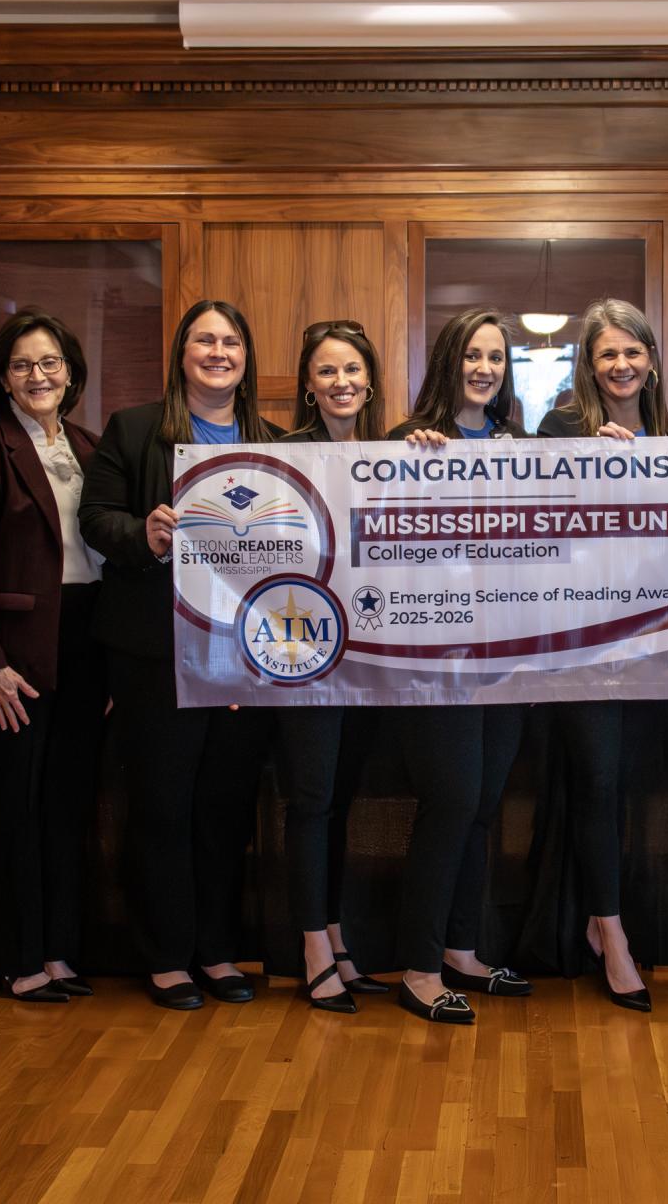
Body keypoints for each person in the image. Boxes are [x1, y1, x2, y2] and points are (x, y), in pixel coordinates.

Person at [79, 299, 282, 1011]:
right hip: (155, 651)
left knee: (225, 807)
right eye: (205, 340)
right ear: (182, 353)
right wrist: (144, 533)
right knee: (162, 804)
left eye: (232, 341)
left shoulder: (274, 440)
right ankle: (167, 956)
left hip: (246, 654)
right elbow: (95, 518)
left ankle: (217, 950)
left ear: (246, 358)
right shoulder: (135, 429)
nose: (218, 352)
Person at [0, 309, 105, 1004]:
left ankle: (59, 948)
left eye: (50, 363)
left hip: (87, 639)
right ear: (3, 378)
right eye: (22, 365)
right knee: (17, 804)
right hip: (18, 652)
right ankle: (17, 957)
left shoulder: (91, 446)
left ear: (70, 372)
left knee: (68, 804)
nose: (38, 375)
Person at [537, 297, 668, 1012]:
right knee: (595, 778)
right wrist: (587, 467)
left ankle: (609, 918)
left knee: (633, 782)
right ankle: (610, 929)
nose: (621, 364)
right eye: (607, 354)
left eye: (632, 351)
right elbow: (538, 533)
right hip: (582, 644)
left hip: (660, 645)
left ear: (651, 360)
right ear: (589, 366)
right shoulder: (560, 429)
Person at [386, 307, 530, 1024]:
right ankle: (418, 969)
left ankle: (461, 951)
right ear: (449, 360)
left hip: (504, 657)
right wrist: (411, 467)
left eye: (496, 358)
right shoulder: (407, 442)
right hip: (433, 658)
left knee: (480, 807)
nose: (485, 368)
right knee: (449, 802)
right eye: (473, 354)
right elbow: (382, 538)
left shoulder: (519, 446)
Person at [275, 319, 390, 1013]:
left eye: (352, 370)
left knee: (342, 801)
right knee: (311, 801)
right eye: (327, 371)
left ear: (369, 381)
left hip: (372, 659)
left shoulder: (393, 453)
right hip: (304, 658)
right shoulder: (281, 456)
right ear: (309, 386)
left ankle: (337, 937)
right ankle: (313, 946)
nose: (341, 382)